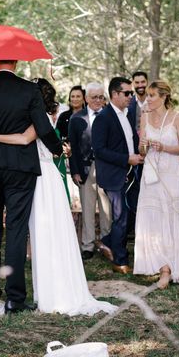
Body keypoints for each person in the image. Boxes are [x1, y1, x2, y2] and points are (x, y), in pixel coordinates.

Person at [0, 78, 115, 316]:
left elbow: (24, 139)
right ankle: (32, 291)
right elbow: (49, 144)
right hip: (37, 177)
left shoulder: (37, 118)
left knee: (44, 233)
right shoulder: (35, 116)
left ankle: (50, 291)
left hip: (42, 179)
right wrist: (61, 148)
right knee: (38, 234)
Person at [0, 60, 63, 314]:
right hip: (21, 168)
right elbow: (43, 127)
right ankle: (15, 299)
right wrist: (58, 149)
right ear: (15, 62)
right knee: (16, 230)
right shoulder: (30, 90)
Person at [134, 80, 179, 289]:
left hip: (171, 173)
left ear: (163, 97)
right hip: (151, 174)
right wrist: (144, 147)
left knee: (171, 216)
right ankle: (161, 265)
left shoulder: (177, 117)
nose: (149, 99)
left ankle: (171, 268)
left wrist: (163, 146)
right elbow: (141, 149)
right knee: (154, 218)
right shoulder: (144, 116)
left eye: (153, 95)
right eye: (148, 96)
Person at [91, 77, 144, 274]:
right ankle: (120, 261)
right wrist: (126, 159)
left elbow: (132, 139)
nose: (131, 96)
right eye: (127, 93)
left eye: (131, 93)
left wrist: (140, 152)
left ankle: (106, 242)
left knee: (133, 214)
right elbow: (99, 150)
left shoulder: (128, 114)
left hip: (132, 172)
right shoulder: (103, 118)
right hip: (114, 174)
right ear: (114, 94)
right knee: (120, 217)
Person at [68, 82, 111, 261]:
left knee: (107, 209)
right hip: (85, 169)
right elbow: (73, 148)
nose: (98, 100)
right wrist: (75, 171)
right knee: (87, 208)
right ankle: (88, 245)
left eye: (101, 97)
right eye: (94, 97)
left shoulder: (110, 117)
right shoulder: (77, 119)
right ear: (86, 98)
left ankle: (107, 243)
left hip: (106, 168)